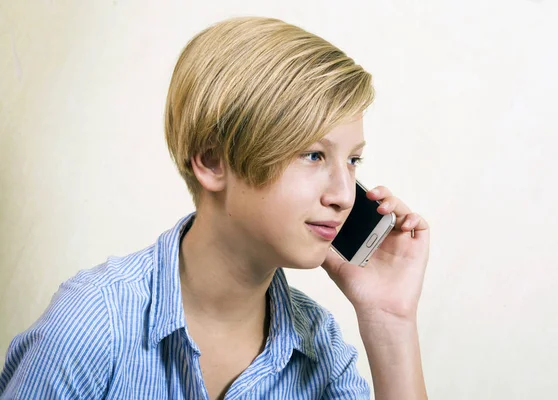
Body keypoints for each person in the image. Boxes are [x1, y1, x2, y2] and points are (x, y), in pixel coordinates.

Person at [0, 16, 429, 400]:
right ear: (211, 162)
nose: (345, 194)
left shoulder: (320, 348)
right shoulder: (93, 325)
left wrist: (390, 321)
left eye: (353, 161)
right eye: (313, 155)